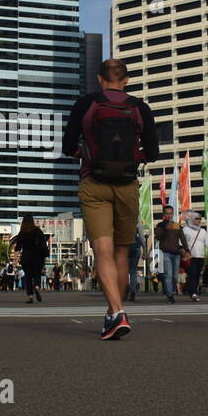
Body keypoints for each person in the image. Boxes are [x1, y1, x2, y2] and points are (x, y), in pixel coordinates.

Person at [62, 57, 161, 340]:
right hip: (127, 185)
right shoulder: (140, 108)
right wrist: (132, 158)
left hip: (94, 183)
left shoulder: (86, 104)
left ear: (99, 78)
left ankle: (116, 313)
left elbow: (68, 145)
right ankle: (114, 312)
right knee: (120, 252)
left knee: (102, 251)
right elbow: (153, 153)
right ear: (126, 80)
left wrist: (87, 154)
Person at [11, 216, 49, 304]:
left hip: (26, 257)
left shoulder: (22, 233)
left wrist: (15, 259)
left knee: (28, 277)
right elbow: (43, 243)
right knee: (37, 274)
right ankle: (36, 287)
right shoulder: (38, 231)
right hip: (37, 257)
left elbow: (18, 247)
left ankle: (30, 297)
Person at [154, 205, 188, 303]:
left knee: (175, 277)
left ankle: (171, 291)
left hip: (176, 254)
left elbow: (182, 238)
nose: (169, 215)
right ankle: (170, 295)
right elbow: (158, 237)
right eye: (167, 213)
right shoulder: (160, 225)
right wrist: (165, 229)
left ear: (173, 214)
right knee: (168, 275)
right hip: (165, 253)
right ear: (164, 214)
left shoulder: (176, 225)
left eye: (170, 213)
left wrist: (187, 250)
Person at [181, 211, 208, 301]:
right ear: (191, 219)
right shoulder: (185, 229)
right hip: (190, 256)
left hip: (200, 256)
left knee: (197, 275)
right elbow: (181, 241)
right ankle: (193, 292)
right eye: (196, 218)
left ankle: (193, 292)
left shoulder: (202, 231)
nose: (199, 220)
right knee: (192, 274)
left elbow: (207, 241)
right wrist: (183, 252)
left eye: (200, 219)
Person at [126, 224, 144, 302]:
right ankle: (133, 292)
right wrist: (145, 251)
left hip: (125, 248)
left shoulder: (123, 221)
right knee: (133, 272)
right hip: (136, 249)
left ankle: (126, 290)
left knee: (124, 272)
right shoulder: (137, 224)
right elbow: (142, 238)